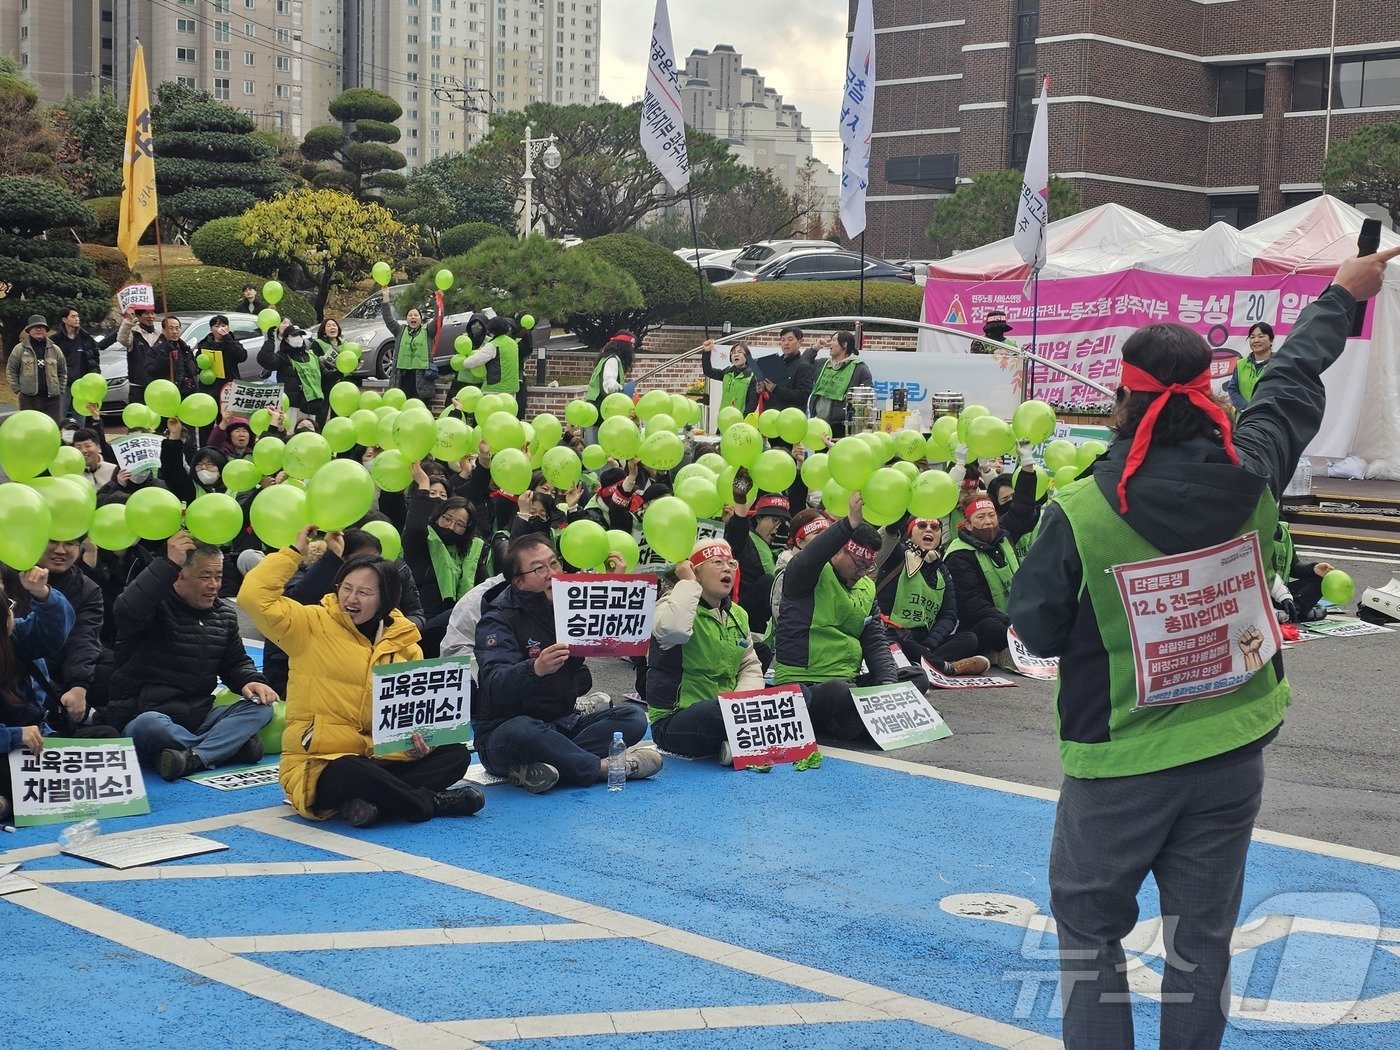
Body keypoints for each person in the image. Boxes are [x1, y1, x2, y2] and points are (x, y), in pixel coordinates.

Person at [1007, 245, 1398, 1049]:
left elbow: (1037, 630)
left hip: (1118, 764)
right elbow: (1289, 385)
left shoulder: (1081, 510)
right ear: (1211, 389)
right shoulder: (1252, 472)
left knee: (1089, 933)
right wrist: (1339, 295)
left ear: (1122, 397)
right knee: (1200, 946)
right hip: (1231, 753)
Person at [238, 527, 482, 827]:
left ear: (386, 599)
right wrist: (292, 552)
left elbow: (408, 724)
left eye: (364, 592)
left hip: (381, 760)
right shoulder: (310, 624)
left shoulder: (406, 642)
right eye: (346, 588)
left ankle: (371, 803)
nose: (351, 598)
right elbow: (253, 598)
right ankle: (426, 802)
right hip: (321, 764)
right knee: (350, 770)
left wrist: (421, 745)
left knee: (454, 755)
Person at [473, 535, 661, 793]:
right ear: (518, 581)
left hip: (562, 724)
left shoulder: (569, 603)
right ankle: (603, 768)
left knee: (633, 717)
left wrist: (611, 586)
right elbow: (496, 684)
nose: (551, 574)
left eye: (554, 563)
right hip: (504, 732)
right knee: (522, 730)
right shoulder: (497, 618)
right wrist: (535, 669)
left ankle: (548, 763)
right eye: (540, 569)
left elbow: (616, 635)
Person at [100, 533, 277, 781]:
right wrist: (166, 563)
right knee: (150, 724)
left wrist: (251, 680)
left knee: (261, 710)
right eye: (205, 576)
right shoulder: (153, 607)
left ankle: (192, 757)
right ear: (179, 575)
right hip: (146, 716)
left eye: (219, 577)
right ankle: (224, 749)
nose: (214, 585)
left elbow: (236, 663)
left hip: (199, 717)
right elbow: (126, 608)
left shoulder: (224, 616)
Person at [772, 493, 907, 741]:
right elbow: (811, 556)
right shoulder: (804, 576)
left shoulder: (866, 587)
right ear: (837, 552)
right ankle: (852, 721)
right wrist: (847, 525)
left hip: (848, 679)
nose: (862, 572)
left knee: (912, 677)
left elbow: (875, 642)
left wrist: (890, 688)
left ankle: (854, 719)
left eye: (868, 567)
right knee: (839, 693)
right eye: (857, 564)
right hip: (804, 684)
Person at [647, 539, 763, 760]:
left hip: (726, 709)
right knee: (711, 713)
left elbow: (750, 665)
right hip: (677, 718)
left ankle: (734, 738)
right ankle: (740, 739)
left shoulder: (738, 614)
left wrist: (740, 705)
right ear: (695, 571)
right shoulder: (669, 604)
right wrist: (689, 583)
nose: (727, 568)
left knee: (799, 695)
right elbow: (675, 630)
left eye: (731, 563)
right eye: (717, 562)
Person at [0, 568, 83, 820]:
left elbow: (53, 633)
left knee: (105, 738)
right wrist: (14, 735)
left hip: (38, 739)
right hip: (8, 745)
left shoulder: (17, 636)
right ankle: (8, 805)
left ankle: (9, 803)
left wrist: (42, 593)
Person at [876, 516, 991, 677]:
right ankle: (948, 668)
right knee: (896, 643)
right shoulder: (896, 556)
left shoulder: (942, 570)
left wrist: (929, 644)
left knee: (969, 639)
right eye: (922, 526)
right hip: (892, 634)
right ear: (909, 534)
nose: (929, 529)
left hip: (925, 640)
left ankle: (919, 663)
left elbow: (949, 615)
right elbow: (890, 531)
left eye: (935, 527)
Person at [943, 496, 1022, 667]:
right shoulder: (958, 555)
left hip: (1013, 618)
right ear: (969, 525)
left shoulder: (1005, 539)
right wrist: (1009, 623)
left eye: (991, 515)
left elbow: (1025, 508)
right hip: (981, 623)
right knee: (991, 627)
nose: (988, 522)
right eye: (980, 517)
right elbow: (972, 604)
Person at [808, 331, 873, 438]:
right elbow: (803, 365)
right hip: (819, 425)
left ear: (844, 345)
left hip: (842, 427)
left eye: (833, 340)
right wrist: (815, 348)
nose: (830, 344)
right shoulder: (823, 364)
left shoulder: (859, 368)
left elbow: (867, 397)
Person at [381, 286, 441, 400]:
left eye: (416, 315)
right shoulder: (400, 330)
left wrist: (439, 303)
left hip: (422, 378)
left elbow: (438, 321)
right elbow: (388, 319)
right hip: (402, 377)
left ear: (420, 318)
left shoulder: (428, 331)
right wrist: (385, 298)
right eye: (410, 315)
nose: (413, 317)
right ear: (406, 319)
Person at [263, 325, 329, 429]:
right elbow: (266, 360)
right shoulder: (282, 356)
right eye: (294, 336)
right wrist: (270, 340)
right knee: (291, 431)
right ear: (286, 339)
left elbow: (326, 375)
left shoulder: (311, 355)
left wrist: (340, 370)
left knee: (309, 432)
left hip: (311, 404)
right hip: (292, 405)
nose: (298, 338)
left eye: (300, 335)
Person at [6, 315, 67, 422]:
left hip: (51, 400)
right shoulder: (19, 349)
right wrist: (18, 390)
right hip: (28, 399)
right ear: (29, 330)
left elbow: (63, 372)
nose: (39, 329)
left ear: (46, 330)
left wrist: (59, 390)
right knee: (29, 427)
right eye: (35, 327)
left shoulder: (55, 349)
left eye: (42, 327)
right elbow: (11, 371)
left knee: (52, 427)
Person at [50, 307, 101, 426]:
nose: (77, 319)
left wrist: (94, 377)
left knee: (80, 419)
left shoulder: (85, 338)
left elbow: (94, 358)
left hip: (82, 386)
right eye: (73, 316)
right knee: (59, 418)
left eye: (77, 316)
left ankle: (78, 442)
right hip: (62, 386)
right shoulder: (55, 340)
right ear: (64, 319)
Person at [457, 315, 521, 396]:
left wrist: (464, 361)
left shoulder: (493, 345)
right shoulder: (513, 343)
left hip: (495, 388)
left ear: (492, 329)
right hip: (512, 388)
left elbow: (474, 361)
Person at [757, 327, 815, 415]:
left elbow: (803, 395)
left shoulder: (804, 367)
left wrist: (776, 389)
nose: (786, 343)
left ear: (800, 342)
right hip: (770, 416)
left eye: (790, 339)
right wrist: (762, 389)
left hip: (790, 419)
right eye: (783, 340)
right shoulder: (773, 363)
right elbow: (769, 392)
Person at [195, 314, 247, 410]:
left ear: (228, 327)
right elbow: (198, 362)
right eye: (217, 326)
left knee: (226, 416)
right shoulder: (204, 344)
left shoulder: (233, 343)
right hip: (210, 386)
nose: (220, 329)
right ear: (211, 329)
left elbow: (242, 357)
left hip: (228, 385)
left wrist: (228, 338)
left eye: (223, 326)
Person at [116, 306, 161, 408]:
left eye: (152, 313)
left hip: (157, 385)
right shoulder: (133, 334)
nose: (150, 316)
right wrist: (128, 320)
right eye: (146, 313)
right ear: (139, 316)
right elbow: (122, 338)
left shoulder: (160, 335)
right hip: (138, 386)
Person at [700, 339, 759, 415]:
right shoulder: (727, 372)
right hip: (724, 419)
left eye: (739, 352)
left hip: (740, 422)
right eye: (733, 353)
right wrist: (706, 352)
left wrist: (743, 421)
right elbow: (708, 372)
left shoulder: (752, 377)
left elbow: (752, 404)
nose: (736, 354)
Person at [1224, 321, 1274, 410]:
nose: (1256, 340)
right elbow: (1232, 389)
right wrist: (1247, 408)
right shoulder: (1241, 364)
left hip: (1269, 417)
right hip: (1244, 418)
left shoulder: (1279, 364)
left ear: (1271, 340)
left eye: (1261, 336)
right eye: (1252, 337)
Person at [584, 332, 635, 415]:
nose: (632, 349)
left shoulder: (608, 358)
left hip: (596, 405)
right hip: (601, 406)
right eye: (632, 345)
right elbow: (609, 380)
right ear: (625, 346)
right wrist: (621, 389)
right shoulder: (612, 360)